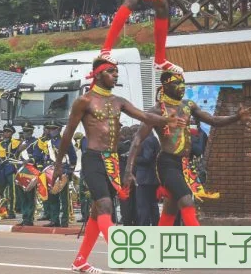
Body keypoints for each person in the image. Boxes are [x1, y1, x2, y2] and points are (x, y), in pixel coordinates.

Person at [54, 57, 183, 273]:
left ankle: (80, 261)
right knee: (106, 206)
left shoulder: (119, 101)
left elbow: (143, 116)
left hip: (112, 160)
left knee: (98, 211)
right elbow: (67, 133)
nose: (116, 75)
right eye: (111, 72)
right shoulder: (84, 101)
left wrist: (166, 121)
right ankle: (122, 251)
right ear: (98, 74)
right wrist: (59, 164)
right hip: (93, 158)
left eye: (116, 72)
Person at [124, 72, 251, 227]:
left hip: (184, 164)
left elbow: (213, 120)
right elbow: (138, 139)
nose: (181, 87)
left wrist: (236, 117)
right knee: (186, 200)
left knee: (171, 207)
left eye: (183, 83)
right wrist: (128, 170)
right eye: (176, 83)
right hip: (167, 163)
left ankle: (160, 242)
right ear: (165, 86)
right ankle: (200, 243)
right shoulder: (156, 111)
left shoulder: (188, 105)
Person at [45, 120, 77, 228]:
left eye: (53, 128)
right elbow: (46, 158)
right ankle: (54, 220)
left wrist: (69, 171)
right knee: (53, 196)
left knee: (64, 198)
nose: (51, 130)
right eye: (50, 128)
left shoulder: (65, 141)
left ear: (59, 129)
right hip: (51, 172)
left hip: (63, 171)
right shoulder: (48, 143)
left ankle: (64, 220)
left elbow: (73, 158)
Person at [134, 130, 160, 226]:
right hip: (152, 178)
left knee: (143, 205)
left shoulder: (147, 140)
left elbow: (146, 158)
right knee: (153, 205)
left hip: (145, 178)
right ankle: (155, 225)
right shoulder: (154, 140)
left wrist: (133, 158)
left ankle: (144, 227)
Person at [0, 124, 20, 219]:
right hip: (1, 169)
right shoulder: (0, 143)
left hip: (11, 168)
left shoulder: (15, 143)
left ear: (12, 133)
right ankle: (2, 210)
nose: (6, 133)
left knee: (12, 192)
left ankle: (11, 211)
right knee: (0, 191)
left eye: (8, 132)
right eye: (5, 131)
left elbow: (18, 154)